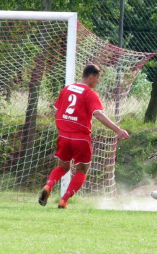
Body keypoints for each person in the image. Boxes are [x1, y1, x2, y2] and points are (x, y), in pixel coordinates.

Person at [38, 64, 130, 209]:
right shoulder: (90, 94)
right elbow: (98, 114)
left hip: (63, 135)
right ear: (91, 77)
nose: (97, 82)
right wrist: (117, 130)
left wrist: (64, 127)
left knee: (63, 166)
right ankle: (64, 201)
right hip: (80, 138)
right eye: (97, 79)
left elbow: (57, 110)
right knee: (81, 170)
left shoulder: (66, 89)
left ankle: (48, 186)